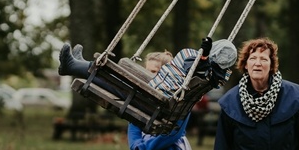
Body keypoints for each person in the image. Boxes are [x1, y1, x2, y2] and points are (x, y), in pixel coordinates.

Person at [58, 38, 237, 98]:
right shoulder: (214, 74)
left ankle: (74, 66)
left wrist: (203, 55)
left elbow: (195, 69)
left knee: (115, 75)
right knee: (120, 72)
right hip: (153, 93)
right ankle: (79, 64)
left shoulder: (205, 68)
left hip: (151, 96)